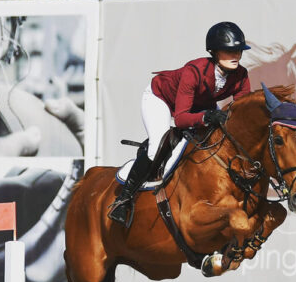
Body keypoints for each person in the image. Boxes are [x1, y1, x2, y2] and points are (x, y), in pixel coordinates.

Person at [108, 21, 252, 227]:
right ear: (214, 52)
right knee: (157, 144)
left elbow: (242, 111)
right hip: (161, 98)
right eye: (229, 51)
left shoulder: (241, 75)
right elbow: (182, 118)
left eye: (238, 50)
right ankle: (123, 199)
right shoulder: (193, 71)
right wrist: (206, 117)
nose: (235, 55)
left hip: (200, 103)